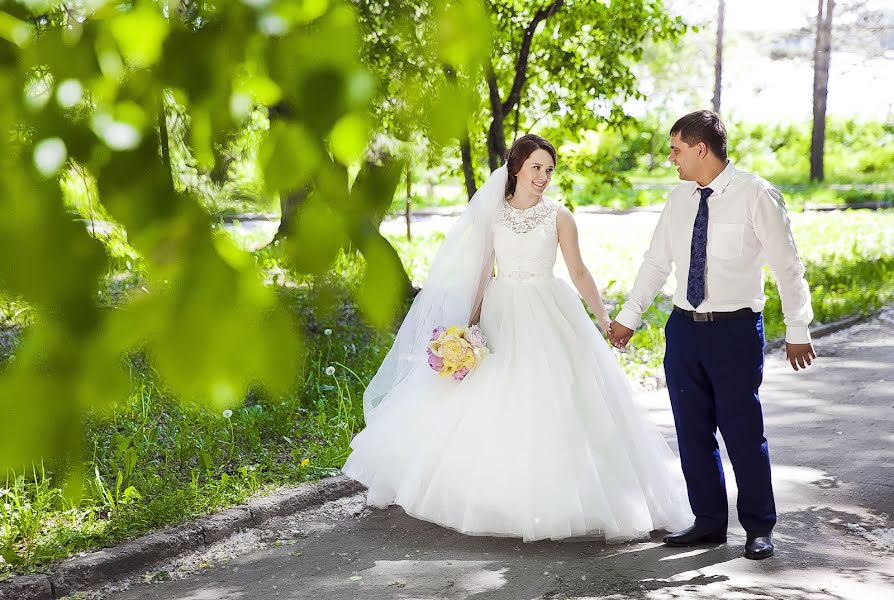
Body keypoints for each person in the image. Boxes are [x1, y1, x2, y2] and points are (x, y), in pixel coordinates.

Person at [343, 134, 692, 542]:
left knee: (558, 394)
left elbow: (578, 271)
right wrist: (467, 325)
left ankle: (565, 497)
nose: (543, 177)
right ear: (516, 169)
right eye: (535, 168)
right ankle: (487, 495)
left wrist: (603, 318)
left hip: (548, 308)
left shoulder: (559, 216)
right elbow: (482, 271)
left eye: (548, 169)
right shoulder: (494, 215)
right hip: (501, 308)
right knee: (492, 393)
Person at [608, 110, 816, 560]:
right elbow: (655, 263)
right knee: (691, 433)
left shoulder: (756, 195)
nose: (671, 158)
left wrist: (798, 327)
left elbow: (787, 266)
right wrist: (629, 315)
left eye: (676, 149)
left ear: (701, 148)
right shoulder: (679, 199)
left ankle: (759, 527)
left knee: (743, 433)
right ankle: (708, 522)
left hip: (735, 332)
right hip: (684, 330)